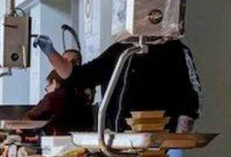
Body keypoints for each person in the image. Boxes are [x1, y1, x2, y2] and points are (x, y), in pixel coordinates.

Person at [35, 33, 201, 134]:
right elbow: (78, 76)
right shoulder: (119, 50)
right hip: (117, 141)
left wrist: (177, 142)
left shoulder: (175, 51)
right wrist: (51, 53)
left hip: (157, 142)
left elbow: (191, 100)